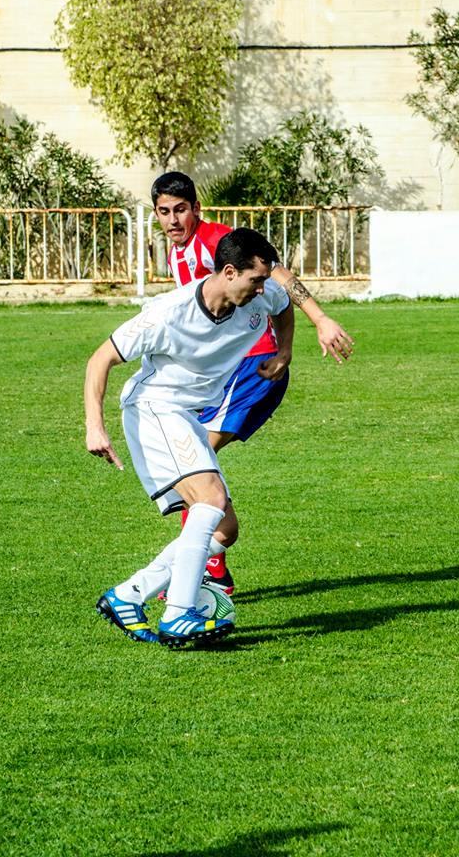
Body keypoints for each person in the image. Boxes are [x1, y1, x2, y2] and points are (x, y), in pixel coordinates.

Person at [86, 228, 293, 647]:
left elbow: (284, 305)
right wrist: (95, 426)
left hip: (187, 416)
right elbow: (101, 358)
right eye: (255, 279)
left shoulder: (260, 294)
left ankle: (128, 596)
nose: (262, 288)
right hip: (154, 409)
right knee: (212, 501)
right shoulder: (168, 313)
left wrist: (284, 351)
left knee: (224, 529)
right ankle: (180, 613)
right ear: (229, 272)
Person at [151, 171, 354, 594]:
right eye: (164, 212)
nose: (173, 220)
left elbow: (278, 277)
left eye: (180, 210)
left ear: (196, 209)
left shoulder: (215, 240)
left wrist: (316, 322)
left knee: (194, 460)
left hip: (254, 366)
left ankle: (207, 566)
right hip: (223, 370)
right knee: (189, 463)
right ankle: (210, 561)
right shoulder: (179, 251)